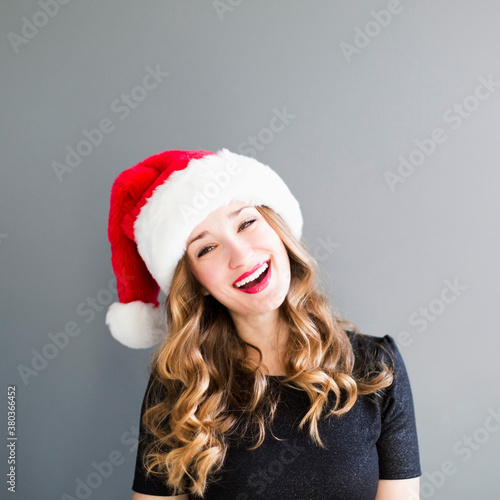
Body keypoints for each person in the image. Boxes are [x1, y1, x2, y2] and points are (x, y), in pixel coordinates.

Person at [105, 149, 421, 500]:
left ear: (278, 229)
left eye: (246, 223)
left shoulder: (376, 366)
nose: (240, 255)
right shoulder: (180, 386)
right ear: (195, 283)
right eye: (207, 248)